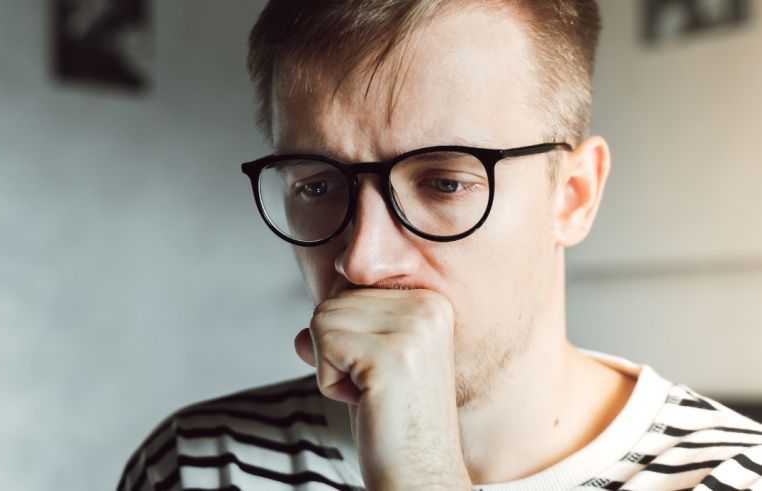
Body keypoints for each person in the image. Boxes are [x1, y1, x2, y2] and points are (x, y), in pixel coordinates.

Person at [118, 1, 762, 489]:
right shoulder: (197, 463)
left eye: (445, 182)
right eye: (317, 186)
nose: (361, 260)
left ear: (573, 196)